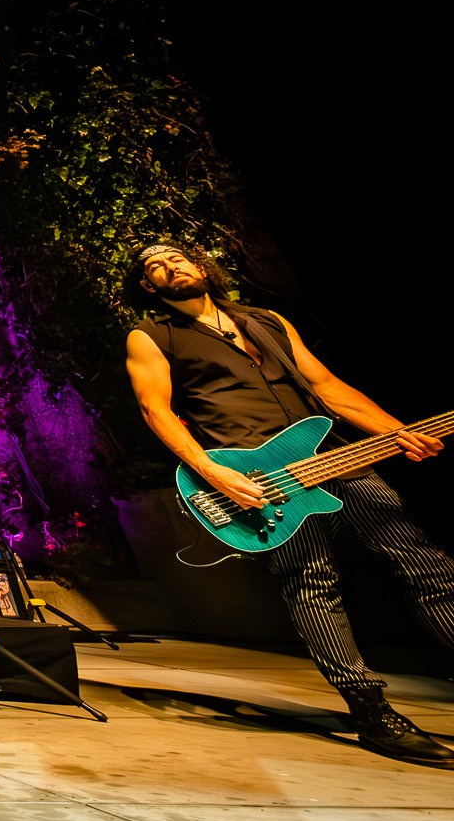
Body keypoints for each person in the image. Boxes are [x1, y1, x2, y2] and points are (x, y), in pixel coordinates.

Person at [123, 241, 453, 767]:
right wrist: (213, 472)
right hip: (260, 477)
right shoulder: (152, 335)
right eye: (154, 266)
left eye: (176, 256)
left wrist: (397, 432)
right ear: (149, 287)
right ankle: (372, 712)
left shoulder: (265, 321)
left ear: (200, 265)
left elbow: (326, 387)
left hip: (334, 458)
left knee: (430, 566)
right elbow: (154, 410)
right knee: (312, 581)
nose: (169, 265)